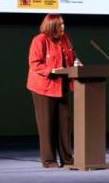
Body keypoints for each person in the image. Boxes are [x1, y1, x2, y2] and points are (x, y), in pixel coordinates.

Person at [26, 13, 80, 168]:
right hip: (43, 87)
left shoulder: (65, 39)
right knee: (47, 124)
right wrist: (53, 70)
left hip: (62, 86)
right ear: (52, 25)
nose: (63, 27)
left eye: (64, 24)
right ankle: (49, 160)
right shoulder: (39, 40)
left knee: (65, 122)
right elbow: (35, 64)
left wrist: (78, 65)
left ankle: (67, 159)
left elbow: (72, 56)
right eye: (60, 24)